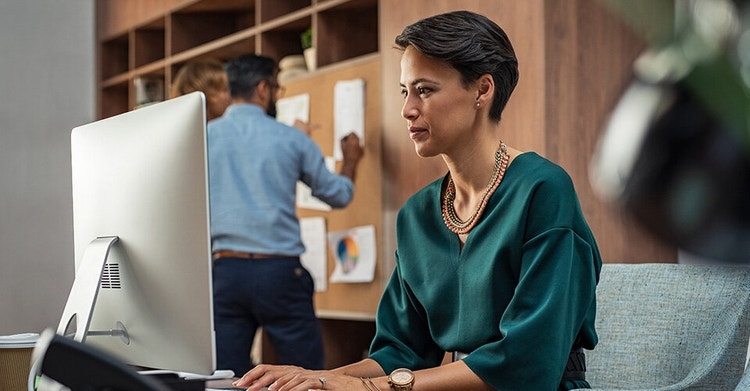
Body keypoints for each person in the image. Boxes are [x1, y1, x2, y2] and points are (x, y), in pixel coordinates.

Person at [232, 10, 602, 391]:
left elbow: (526, 362)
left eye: (424, 90)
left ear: (482, 89)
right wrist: (321, 378)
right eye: (405, 91)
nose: (408, 109)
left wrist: (367, 389)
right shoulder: (418, 214)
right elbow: (400, 352)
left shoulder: (543, 190)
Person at [208, 53, 364, 376]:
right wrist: (350, 160)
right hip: (279, 273)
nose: (277, 95)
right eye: (277, 88)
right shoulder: (291, 139)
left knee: (223, 378)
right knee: (305, 376)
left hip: (225, 272)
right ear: (263, 89)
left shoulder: (203, 137)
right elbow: (338, 194)